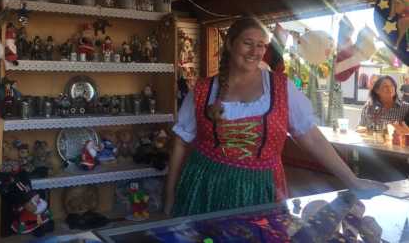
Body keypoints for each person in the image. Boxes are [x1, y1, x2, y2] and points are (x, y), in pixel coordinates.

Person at [164, 18, 387, 217]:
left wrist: (351, 180)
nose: (255, 51)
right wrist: (170, 196)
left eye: (261, 45)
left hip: (262, 188)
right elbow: (180, 144)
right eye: (248, 43)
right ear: (230, 44)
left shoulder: (281, 87)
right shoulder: (203, 89)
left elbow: (311, 138)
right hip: (204, 186)